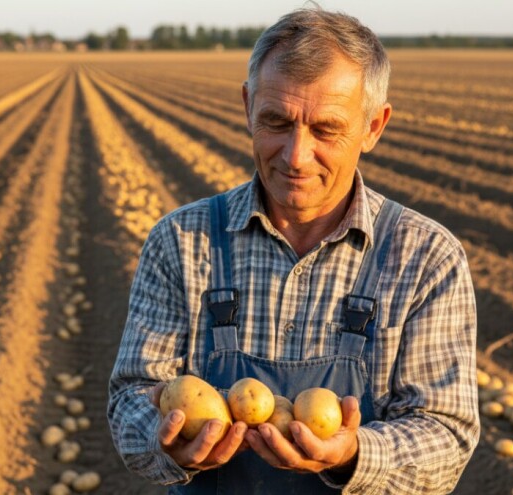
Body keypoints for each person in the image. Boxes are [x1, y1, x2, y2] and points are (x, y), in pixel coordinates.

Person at [107, 8, 479, 494]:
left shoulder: (426, 258)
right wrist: (163, 443)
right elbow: (129, 399)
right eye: (276, 122)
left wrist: (353, 456)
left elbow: (446, 435)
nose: (295, 156)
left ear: (373, 127)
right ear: (247, 107)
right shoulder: (181, 241)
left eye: (325, 129)